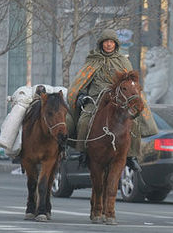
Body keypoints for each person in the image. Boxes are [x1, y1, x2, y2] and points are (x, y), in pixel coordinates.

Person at [66, 29, 158, 172]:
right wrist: (81, 96)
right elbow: (81, 82)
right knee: (84, 120)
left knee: (132, 123)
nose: (109, 45)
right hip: (96, 100)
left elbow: (130, 82)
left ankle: (131, 156)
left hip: (118, 100)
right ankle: (83, 153)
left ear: (116, 44)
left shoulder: (123, 61)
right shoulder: (93, 60)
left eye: (111, 42)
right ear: (101, 44)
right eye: (106, 42)